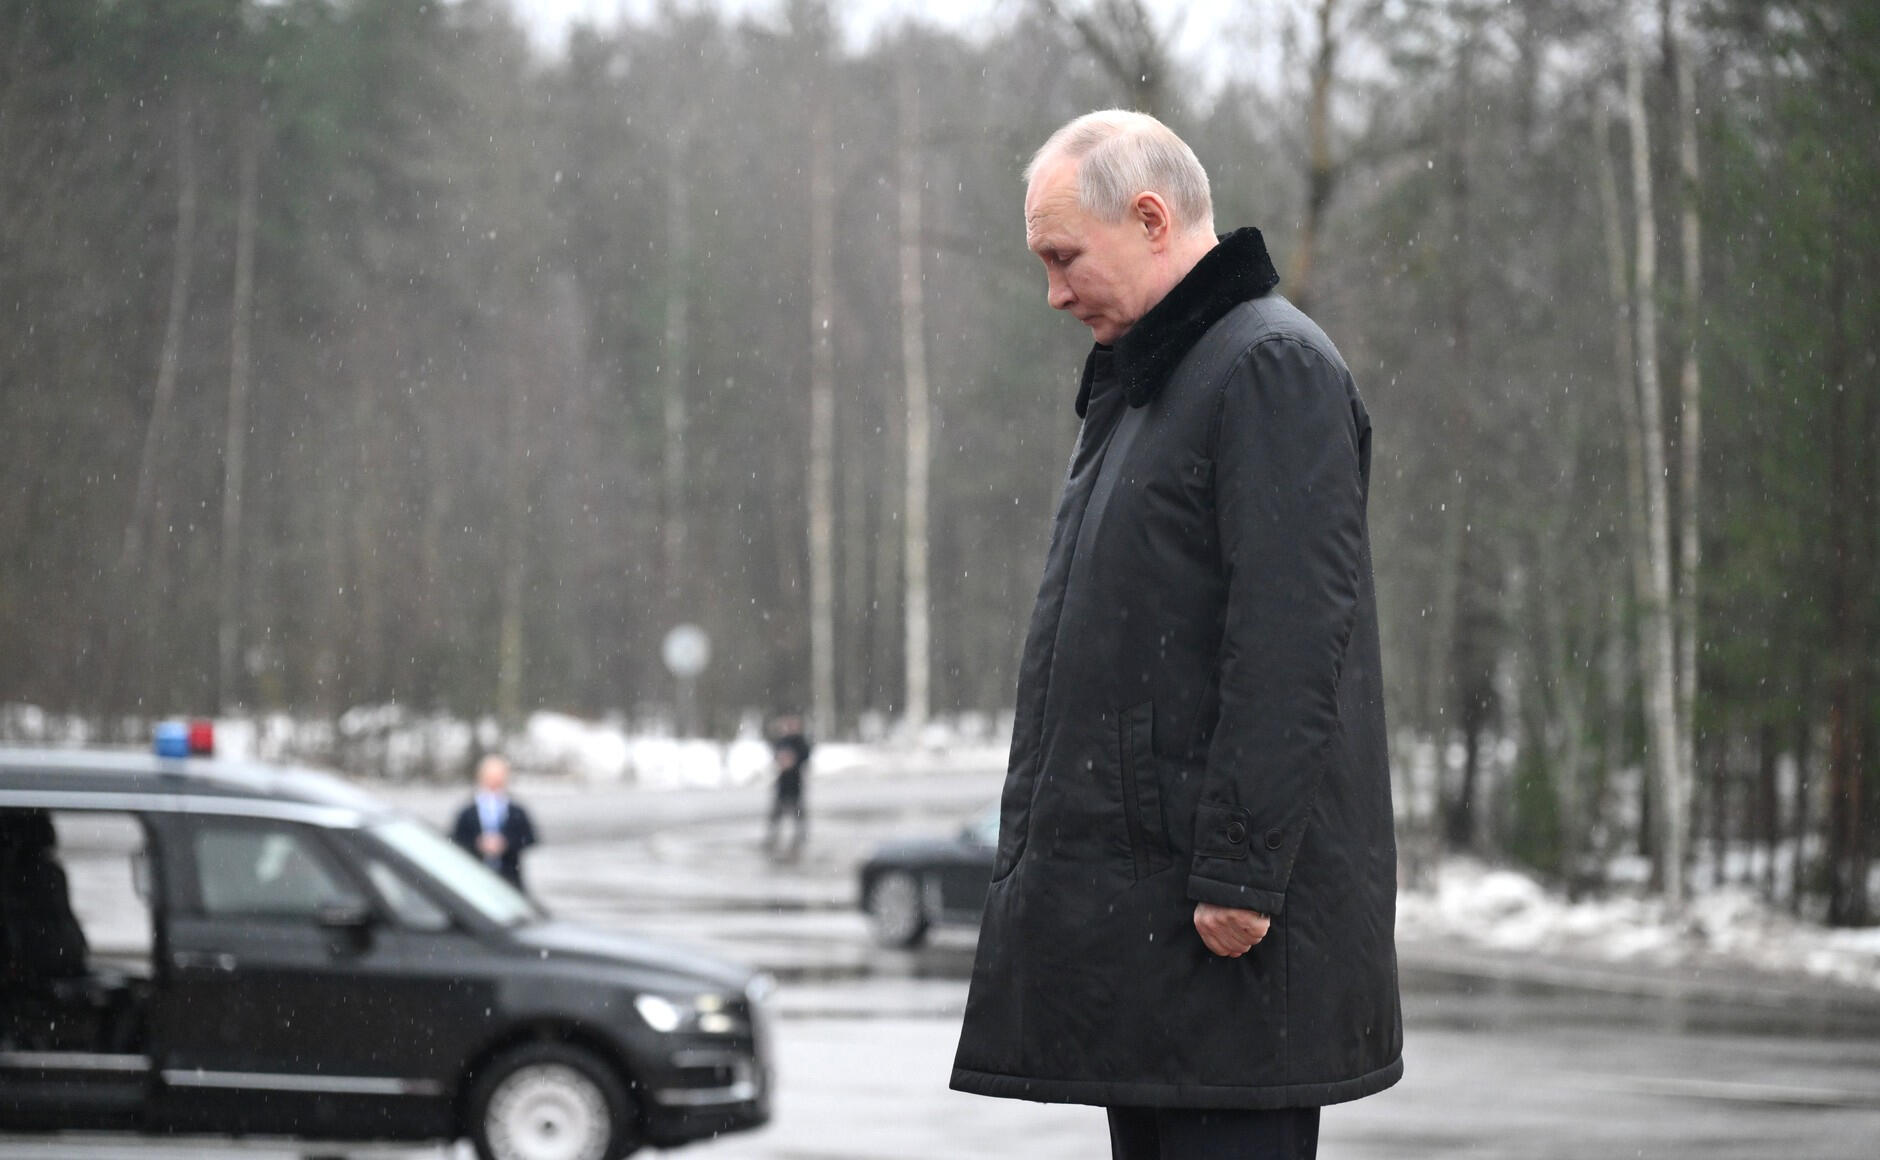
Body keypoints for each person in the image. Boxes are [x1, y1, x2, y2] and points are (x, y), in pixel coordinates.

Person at [949, 111, 1402, 1160]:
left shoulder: (1266, 367)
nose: (1054, 292)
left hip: (1228, 943)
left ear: (1150, 219)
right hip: (1164, 941)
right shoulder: (1155, 380)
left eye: (1064, 257)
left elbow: (1291, 643)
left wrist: (1240, 875)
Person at [451, 754, 537, 890]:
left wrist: (506, 843)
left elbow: (530, 838)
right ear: (481, 777)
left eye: (499, 777)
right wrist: (477, 844)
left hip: (510, 877)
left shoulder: (516, 811)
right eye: (490, 777)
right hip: (474, 877)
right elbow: (456, 840)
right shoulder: (467, 812)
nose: (495, 782)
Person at [764, 716, 812, 861]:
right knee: (777, 812)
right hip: (783, 783)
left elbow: (805, 756)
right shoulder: (782, 741)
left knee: (798, 812)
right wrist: (782, 760)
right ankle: (773, 835)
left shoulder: (800, 742)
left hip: (795, 782)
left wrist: (793, 760)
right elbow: (776, 756)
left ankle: (800, 836)